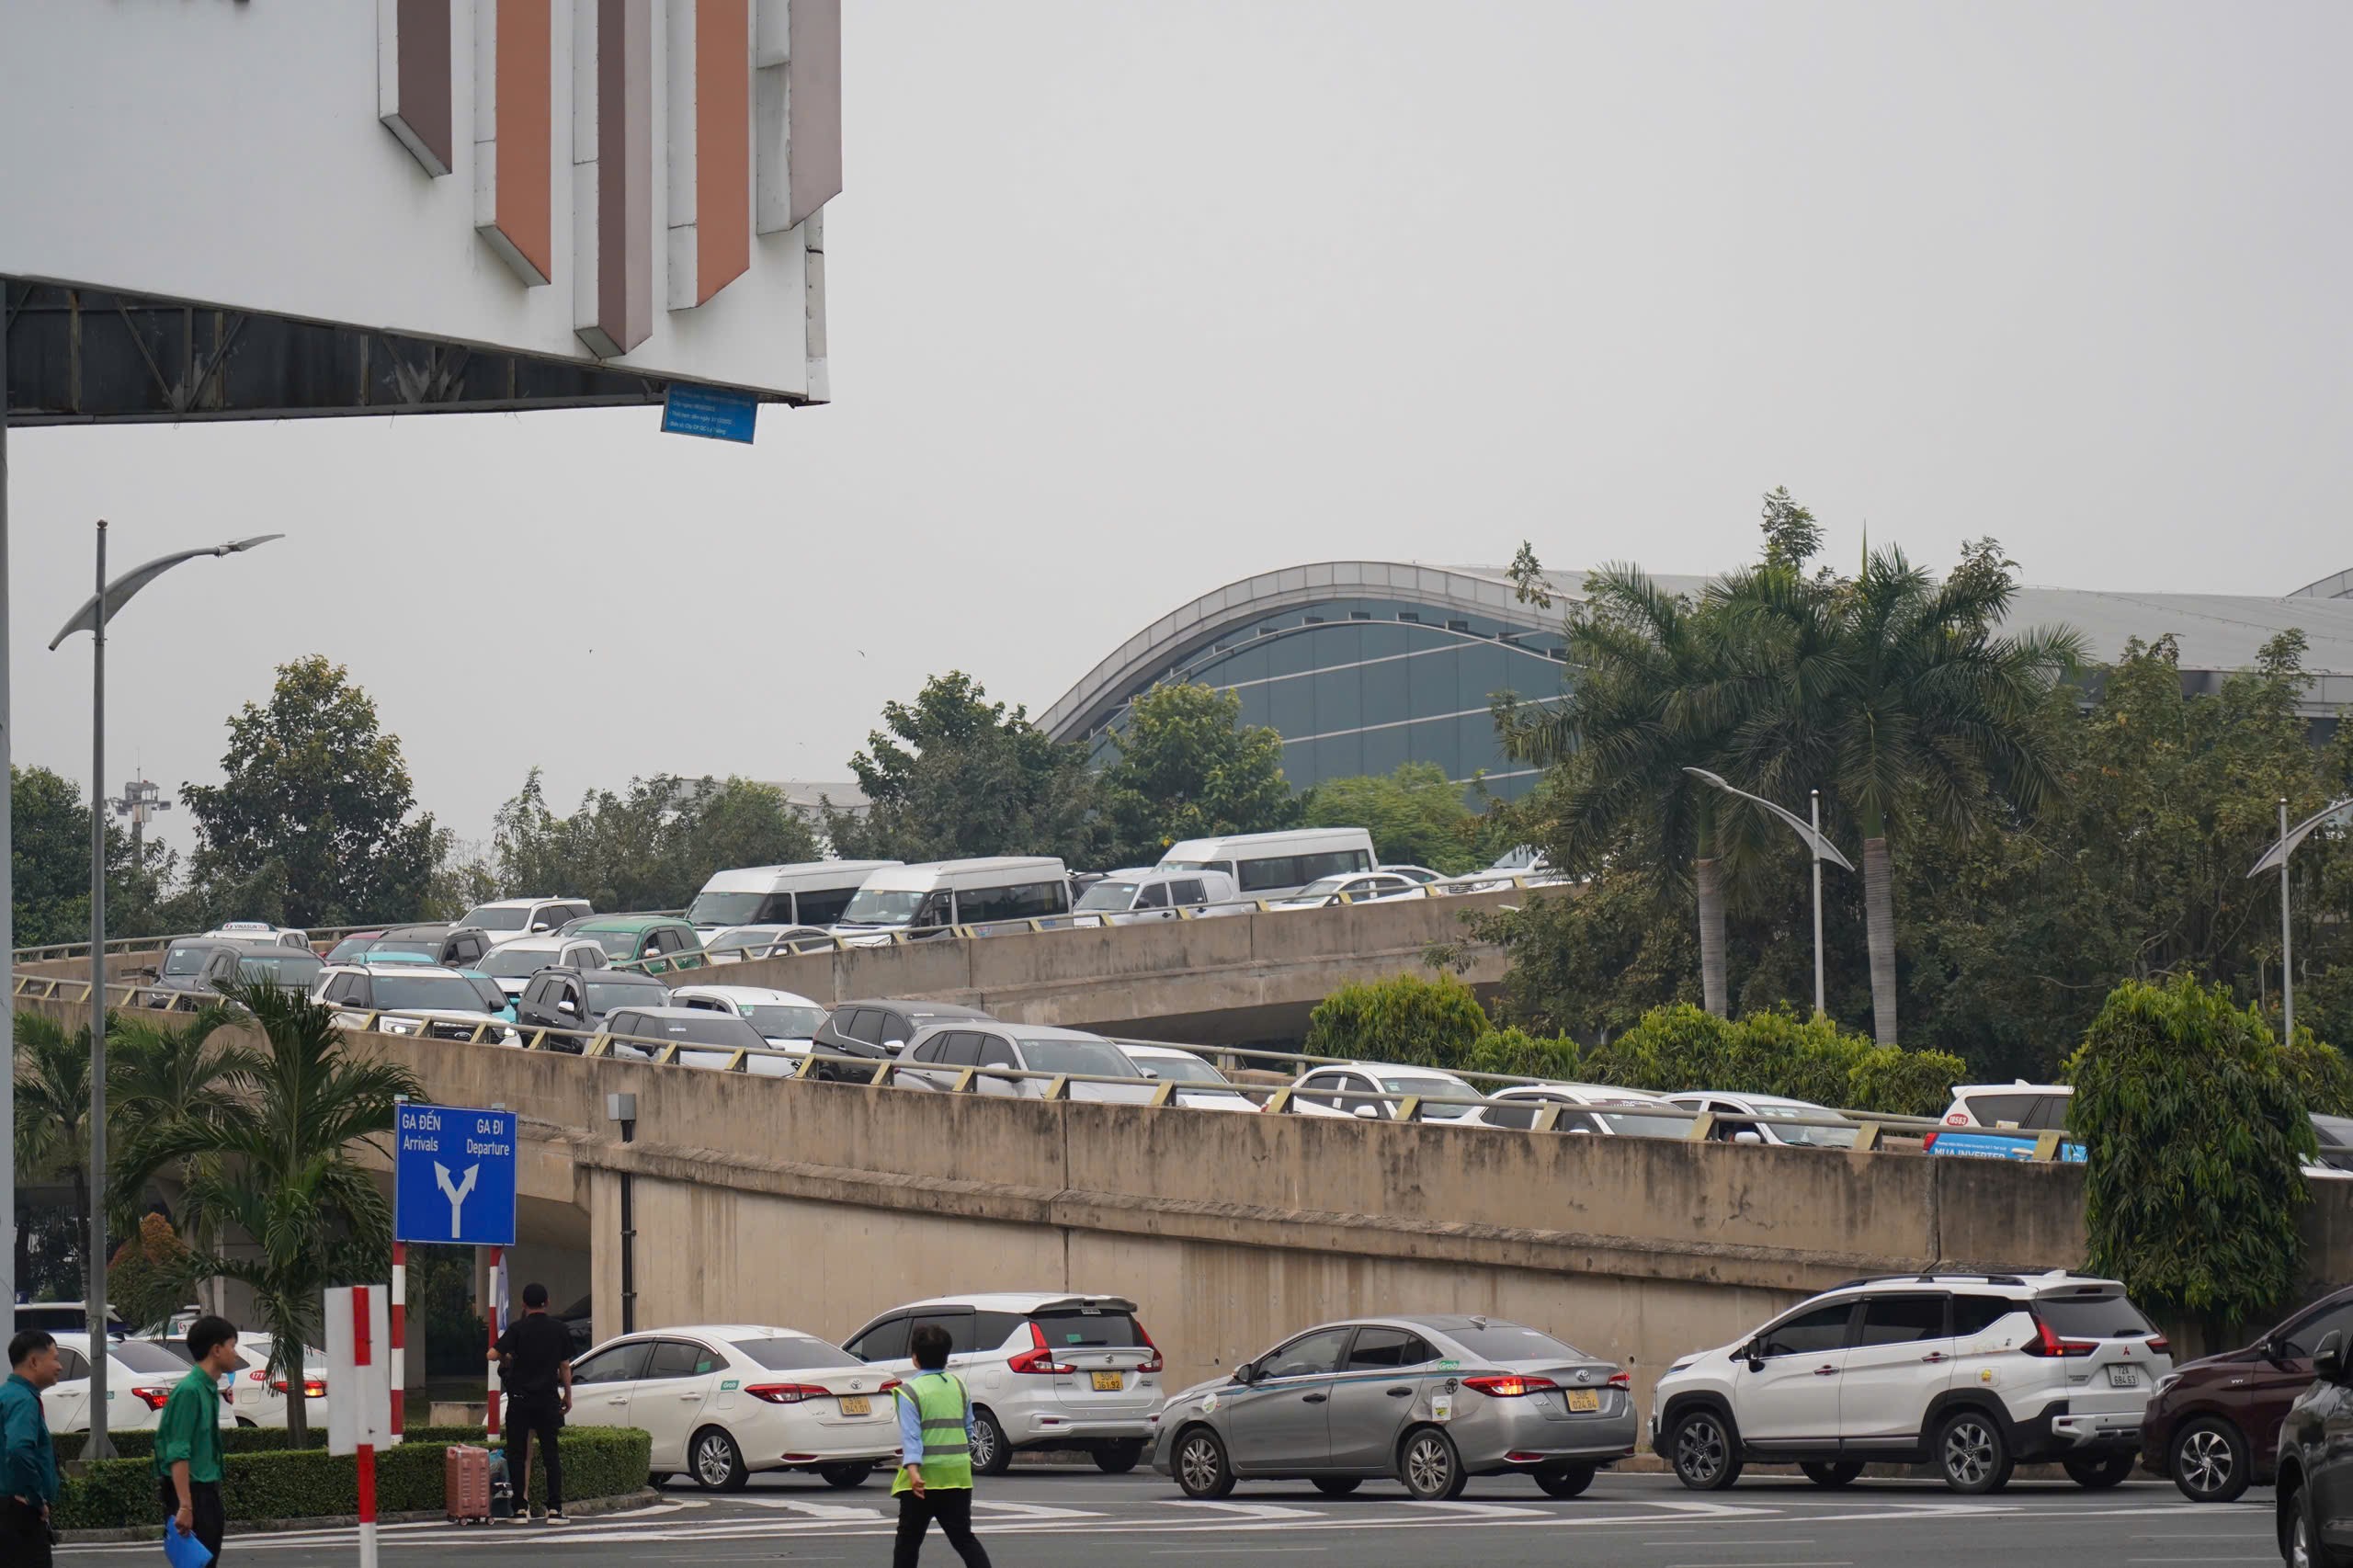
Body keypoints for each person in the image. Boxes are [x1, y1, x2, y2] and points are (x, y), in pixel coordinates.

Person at [891, 1324, 993, 1568]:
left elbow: (912, 1436)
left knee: (908, 1541)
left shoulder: (909, 1392)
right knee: (964, 1538)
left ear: (915, 1358)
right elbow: (968, 1429)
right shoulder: (959, 1387)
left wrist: (913, 1470)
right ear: (947, 1356)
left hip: (923, 1479)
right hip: (957, 1476)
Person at [156, 1315, 239, 1566]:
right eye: (232, 1346)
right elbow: (178, 1451)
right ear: (216, 1350)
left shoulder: (208, 1389)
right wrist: (185, 1506)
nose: (235, 1354)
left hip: (207, 1494)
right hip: (193, 1495)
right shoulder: (190, 1391)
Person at [492, 1282, 574, 1524]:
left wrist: (507, 1356)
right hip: (547, 1400)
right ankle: (555, 1509)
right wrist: (568, 1396)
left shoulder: (517, 1329)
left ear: (523, 1304)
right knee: (551, 1455)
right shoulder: (559, 1329)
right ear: (547, 1302)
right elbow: (565, 1366)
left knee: (518, 1455)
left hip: (520, 1401)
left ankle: (520, 1509)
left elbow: (491, 1354)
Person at [2, 1330, 63, 1568]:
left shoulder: (7, 1395)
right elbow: (18, 1450)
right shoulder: (24, 1400)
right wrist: (35, 1498)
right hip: (20, 1515)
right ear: (34, 1362)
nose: (59, 1366)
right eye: (55, 1358)